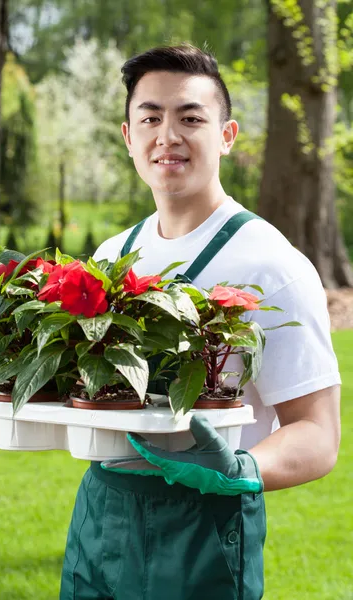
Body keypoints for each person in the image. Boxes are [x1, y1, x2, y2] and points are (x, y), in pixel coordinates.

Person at [59, 44, 341, 600]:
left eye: (191, 118)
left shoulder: (271, 264)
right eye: (150, 118)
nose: (168, 135)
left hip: (203, 529)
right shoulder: (114, 255)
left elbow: (320, 435)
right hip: (100, 512)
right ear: (127, 137)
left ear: (227, 135)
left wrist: (234, 468)